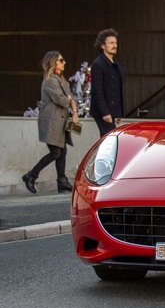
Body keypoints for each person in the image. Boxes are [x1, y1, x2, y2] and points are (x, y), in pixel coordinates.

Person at [22, 51, 79, 194]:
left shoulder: (61, 79)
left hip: (60, 122)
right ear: (53, 62)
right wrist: (70, 101)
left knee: (62, 151)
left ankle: (62, 182)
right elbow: (63, 100)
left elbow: (69, 95)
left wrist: (72, 104)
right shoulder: (50, 80)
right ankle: (31, 176)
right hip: (51, 122)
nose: (64, 62)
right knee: (55, 153)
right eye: (61, 60)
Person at [90, 28, 124, 137]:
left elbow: (118, 89)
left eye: (115, 43)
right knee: (109, 139)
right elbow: (97, 91)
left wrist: (118, 112)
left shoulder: (116, 64)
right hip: (103, 111)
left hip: (112, 110)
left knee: (108, 140)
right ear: (102, 45)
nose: (114, 45)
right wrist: (105, 112)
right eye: (111, 43)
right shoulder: (98, 64)